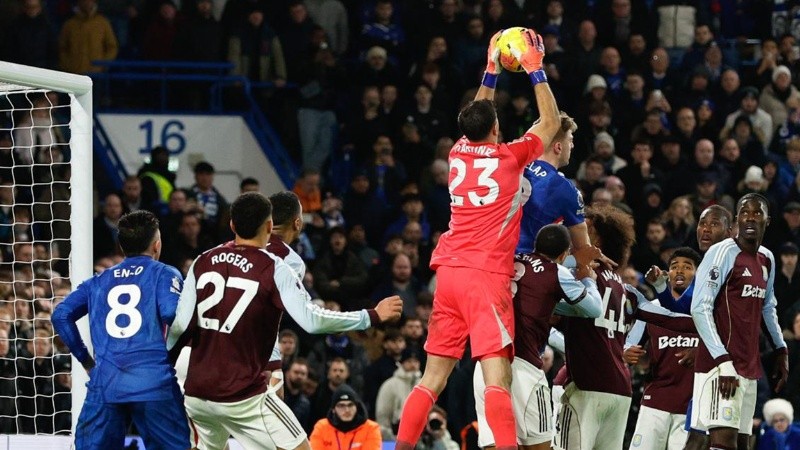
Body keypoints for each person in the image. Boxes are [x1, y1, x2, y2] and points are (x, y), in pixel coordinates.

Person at [394, 29, 562, 450]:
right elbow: (551, 123)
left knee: (432, 379)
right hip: (486, 277)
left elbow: (478, 115)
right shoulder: (509, 158)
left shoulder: (454, 152)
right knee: (496, 379)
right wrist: (534, 70)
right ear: (497, 126)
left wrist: (491, 69)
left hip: (448, 274)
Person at [166, 192, 402, 450]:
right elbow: (310, 320)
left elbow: (180, 324)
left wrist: (162, 367)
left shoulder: (203, 260)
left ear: (232, 225)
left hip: (196, 387)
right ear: (269, 226)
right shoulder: (279, 266)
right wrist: (371, 315)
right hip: (242, 392)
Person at [555, 206, 696, 450]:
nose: (575, 233)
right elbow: (672, 319)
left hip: (587, 386)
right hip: (620, 392)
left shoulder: (578, 278)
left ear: (596, 240)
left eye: (583, 229)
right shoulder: (627, 290)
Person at [52, 210, 190, 449]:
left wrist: (86, 361)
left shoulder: (98, 280)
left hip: (106, 381)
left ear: (121, 246)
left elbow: (60, 315)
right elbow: (171, 314)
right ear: (157, 245)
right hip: (153, 382)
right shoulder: (164, 273)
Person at [473, 224, 603, 450]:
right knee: (540, 446)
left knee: (496, 443)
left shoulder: (512, 259)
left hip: (487, 362)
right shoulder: (557, 272)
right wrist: (589, 279)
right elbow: (594, 309)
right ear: (564, 254)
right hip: (524, 367)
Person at [689, 193, 789, 450]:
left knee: (739, 443)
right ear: (736, 219)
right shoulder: (721, 253)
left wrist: (780, 348)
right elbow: (700, 308)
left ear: (768, 220)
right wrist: (722, 360)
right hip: (719, 366)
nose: (751, 218)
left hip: (749, 366)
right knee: (723, 443)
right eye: (745, 212)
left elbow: (768, 307)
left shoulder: (766, 258)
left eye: (757, 213)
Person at [624, 247, 703, 450]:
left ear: (698, 274)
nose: (680, 271)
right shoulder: (652, 308)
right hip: (656, 400)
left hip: (693, 405)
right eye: (675, 267)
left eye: (687, 267)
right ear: (667, 274)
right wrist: (626, 352)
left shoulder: (706, 310)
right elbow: (628, 345)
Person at [516, 112, 613, 267]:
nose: (572, 146)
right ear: (558, 147)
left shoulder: (514, 164)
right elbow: (584, 249)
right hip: (528, 269)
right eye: (570, 140)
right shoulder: (565, 189)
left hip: (494, 257)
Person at [309, 385, 382, 450]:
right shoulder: (322, 427)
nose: (347, 410)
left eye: (350, 405)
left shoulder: (371, 428)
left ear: (357, 407)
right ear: (333, 409)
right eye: (341, 406)